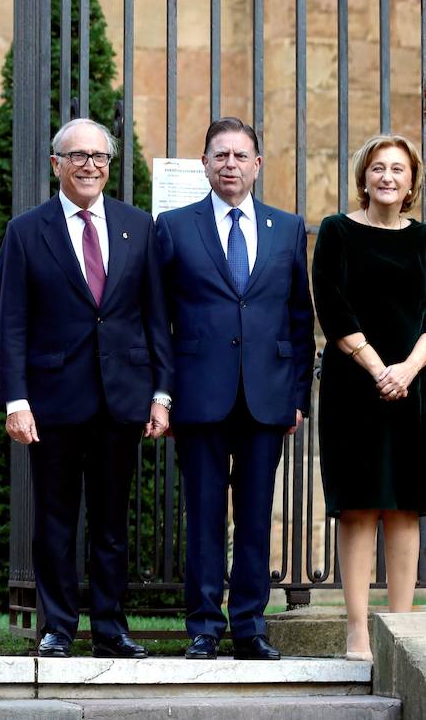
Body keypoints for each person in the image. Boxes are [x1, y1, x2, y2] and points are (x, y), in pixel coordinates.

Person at [0, 117, 172, 660]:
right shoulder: (27, 230)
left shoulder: (138, 226)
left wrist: (162, 393)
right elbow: (12, 322)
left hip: (122, 398)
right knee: (53, 520)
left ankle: (112, 628)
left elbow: (155, 316)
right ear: (56, 165)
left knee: (113, 521)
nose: (89, 165)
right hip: (52, 401)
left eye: (98, 157)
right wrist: (16, 400)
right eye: (77, 157)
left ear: (110, 165)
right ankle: (58, 627)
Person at [156, 117, 315, 661]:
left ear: (257, 165)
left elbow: (300, 318)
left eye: (240, 155)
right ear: (204, 164)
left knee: (254, 517)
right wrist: (164, 393)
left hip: (267, 398)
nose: (230, 164)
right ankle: (203, 627)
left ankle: (249, 626)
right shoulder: (174, 227)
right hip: (199, 397)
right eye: (219, 155)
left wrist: (297, 397)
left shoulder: (287, 228)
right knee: (202, 516)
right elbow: (159, 318)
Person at [311, 134, 426, 662]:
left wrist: (408, 369)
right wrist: (381, 369)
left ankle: (401, 631)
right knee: (358, 507)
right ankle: (358, 630)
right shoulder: (336, 231)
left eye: (397, 170)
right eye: (378, 168)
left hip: (415, 386)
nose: (387, 177)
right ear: (364, 177)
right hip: (354, 385)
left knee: (404, 508)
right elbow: (332, 306)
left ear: (411, 182)